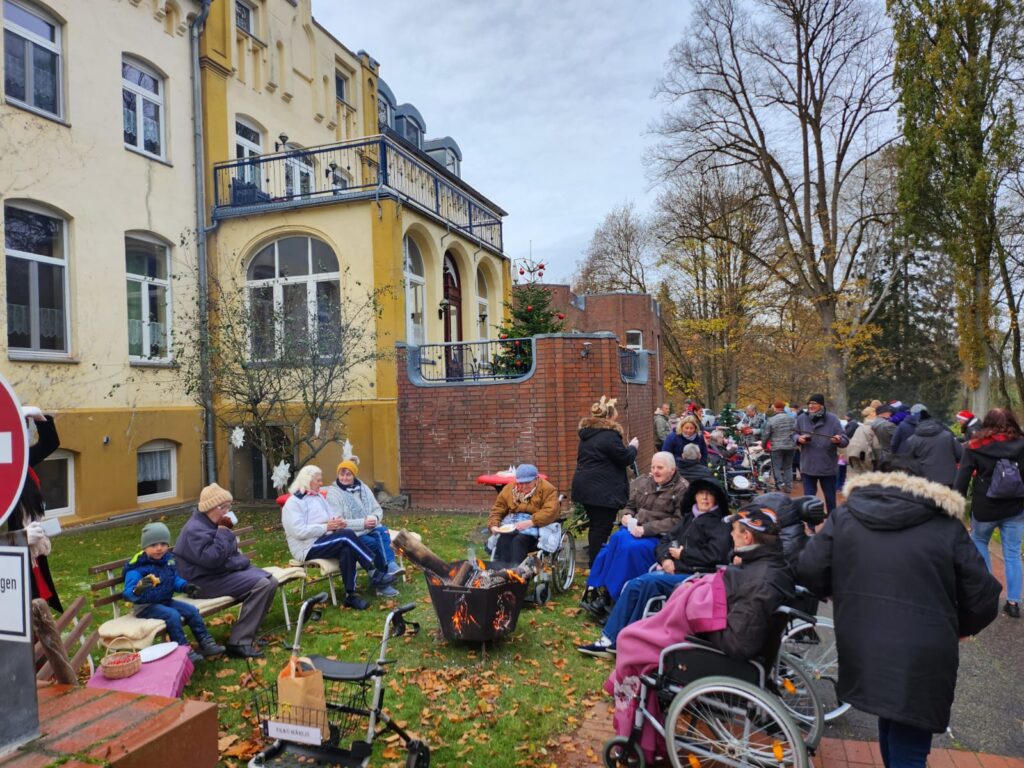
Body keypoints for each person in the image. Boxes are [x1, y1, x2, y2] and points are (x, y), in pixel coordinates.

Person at [798, 467, 1001, 768]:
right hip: (926, 648)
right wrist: (958, 627)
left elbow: (810, 569)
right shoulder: (945, 524)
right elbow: (983, 597)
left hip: (863, 638)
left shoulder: (846, 516)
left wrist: (843, 594)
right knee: (909, 730)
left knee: (890, 714)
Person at [576, 476, 730, 657]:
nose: (704, 498)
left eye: (709, 495)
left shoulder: (718, 525)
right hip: (672, 568)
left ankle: (621, 640)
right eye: (701, 493)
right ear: (695, 496)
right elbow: (665, 541)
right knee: (634, 584)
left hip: (696, 577)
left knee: (642, 584)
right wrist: (665, 559)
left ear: (716, 499)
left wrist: (683, 556)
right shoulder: (689, 519)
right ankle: (614, 639)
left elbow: (716, 556)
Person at [175, 484, 279, 658]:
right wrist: (223, 532)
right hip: (202, 582)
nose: (228, 511)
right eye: (225, 507)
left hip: (219, 574)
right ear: (213, 508)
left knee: (271, 581)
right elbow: (213, 559)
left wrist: (237, 559)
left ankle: (248, 635)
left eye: (229, 506)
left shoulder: (211, 524)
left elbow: (229, 555)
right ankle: (238, 643)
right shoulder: (195, 530)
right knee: (262, 584)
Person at [580, 452, 687, 618]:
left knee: (630, 548)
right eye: (653, 467)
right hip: (634, 529)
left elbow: (678, 521)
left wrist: (647, 528)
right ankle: (606, 593)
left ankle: (614, 598)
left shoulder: (682, 489)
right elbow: (630, 505)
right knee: (616, 539)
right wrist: (626, 515)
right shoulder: (645, 482)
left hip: (660, 536)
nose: (655, 471)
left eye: (660, 468)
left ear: (672, 470)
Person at [283, 466, 397, 609]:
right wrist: (327, 527)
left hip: (325, 539)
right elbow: (298, 531)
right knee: (347, 536)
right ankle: (373, 572)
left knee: (347, 550)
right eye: (318, 480)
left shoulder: (318, 497)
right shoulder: (294, 503)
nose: (321, 483)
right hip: (306, 547)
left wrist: (337, 521)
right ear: (308, 481)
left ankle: (351, 596)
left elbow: (330, 515)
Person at [953, 408, 1024, 619]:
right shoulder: (1022, 444)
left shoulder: (975, 446)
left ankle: (987, 597)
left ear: (987, 423)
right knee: (1012, 553)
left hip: (985, 507)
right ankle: (1013, 603)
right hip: (1016, 507)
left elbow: (962, 478)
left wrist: (956, 507)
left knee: (980, 544)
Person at [123, 522, 225, 663]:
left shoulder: (167, 561)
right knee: (173, 615)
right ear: (144, 547)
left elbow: (173, 579)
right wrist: (139, 589)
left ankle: (206, 642)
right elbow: (128, 593)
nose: (159, 548)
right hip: (145, 606)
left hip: (165, 600)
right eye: (153, 545)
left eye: (163, 544)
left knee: (192, 610)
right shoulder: (137, 568)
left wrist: (185, 587)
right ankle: (183, 650)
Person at [5, 407, 63, 612]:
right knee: (23, 612)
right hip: (12, 560)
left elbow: (50, 443)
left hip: (32, 552)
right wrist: (19, 538)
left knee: (38, 608)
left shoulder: (20, 459)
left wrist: (40, 419)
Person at [571, 395, 639, 566]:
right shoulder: (609, 436)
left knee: (596, 526)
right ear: (609, 417)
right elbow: (624, 459)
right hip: (602, 491)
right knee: (601, 529)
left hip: (585, 488)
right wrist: (633, 447)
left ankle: (596, 563)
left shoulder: (587, 435)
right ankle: (597, 566)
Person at [325, 460, 404, 586]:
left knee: (382, 531)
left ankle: (390, 567)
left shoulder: (363, 488)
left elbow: (377, 509)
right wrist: (363, 523)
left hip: (370, 528)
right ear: (338, 475)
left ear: (354, 475)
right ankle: (382, 582)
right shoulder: (334, 494)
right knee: (375, 543)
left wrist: (374, 518)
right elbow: (338, 523)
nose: (344, 477)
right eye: (342, 474)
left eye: (348, 474)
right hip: (352, 534)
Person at [486, 463, 559, 564]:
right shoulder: (509, 489)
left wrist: (531, 522)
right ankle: (501, 571)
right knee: (504, 539)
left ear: (536, 479)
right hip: (513, 524)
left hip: (537, 525)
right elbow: (498, 508)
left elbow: (550, 511)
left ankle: (518, 574)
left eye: (527, 483)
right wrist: (493, 525)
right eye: (520, 483)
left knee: (518, 541)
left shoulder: (548, 489)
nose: (524, 486)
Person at [795, 393, 848, 513]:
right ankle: (811, 527)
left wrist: (838, 440)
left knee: (830, 499)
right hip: (808, 466)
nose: (811, 406)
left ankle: (832, 523)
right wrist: (798, 439)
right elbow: (793, 434)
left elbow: (845, 440)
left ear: (821, 405)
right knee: (809, 500)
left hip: (827, 466)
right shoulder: (801, 418)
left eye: (814, 404)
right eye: (809, 404)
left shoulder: (832, 419)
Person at [905, 408, 962, 487]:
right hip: (948, 479)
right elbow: (960, 455)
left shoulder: (912, 440)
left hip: (924, 481)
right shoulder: (947, 436)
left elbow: (908, 462)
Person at [762, 400, 797, 492]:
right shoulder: (792, 419)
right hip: (790, 446)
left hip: (777, 447)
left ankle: (780, 484)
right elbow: (796, 432)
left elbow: (766, 434)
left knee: (776, 467)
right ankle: (789, 487)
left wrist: (764, 445)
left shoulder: (771, 419)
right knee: (788, 467)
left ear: (776, 408)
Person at [847, 407, 882, 479]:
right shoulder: (873, 427)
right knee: (868, 477)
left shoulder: (860, 427)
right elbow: (876, 446)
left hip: (851, 453)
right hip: (863, 454)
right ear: (873, 415)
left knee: (859, 477)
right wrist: (879, 459)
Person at [870, 403, 898, 468]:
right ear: (883, 413)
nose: (890, 414)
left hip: (882, 454)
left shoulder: (874, 424)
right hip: (891, 455)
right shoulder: (888, 425)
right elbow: (899, 437)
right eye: (889, 412)